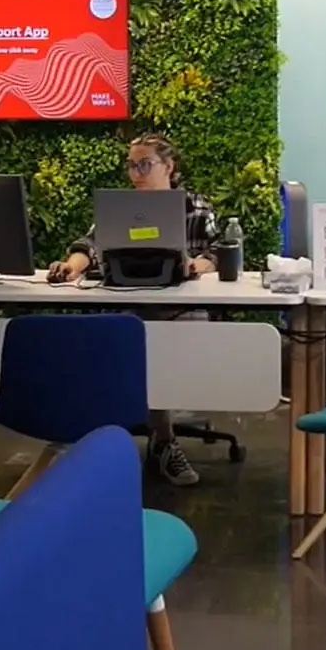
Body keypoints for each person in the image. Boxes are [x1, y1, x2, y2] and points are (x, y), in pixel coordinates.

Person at [48, 132, 218, 486]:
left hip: (178, 306)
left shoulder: (195, 208)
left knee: (162, 341)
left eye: (144, 164)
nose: (136, 173)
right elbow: (89, 245)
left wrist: (195, 266)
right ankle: (131, 441)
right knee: (112, 338)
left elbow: (217, 252)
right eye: (131, 165)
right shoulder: (120, 208)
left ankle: (164, 440)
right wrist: (72, 266)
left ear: (168, 167)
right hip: (126, 301)